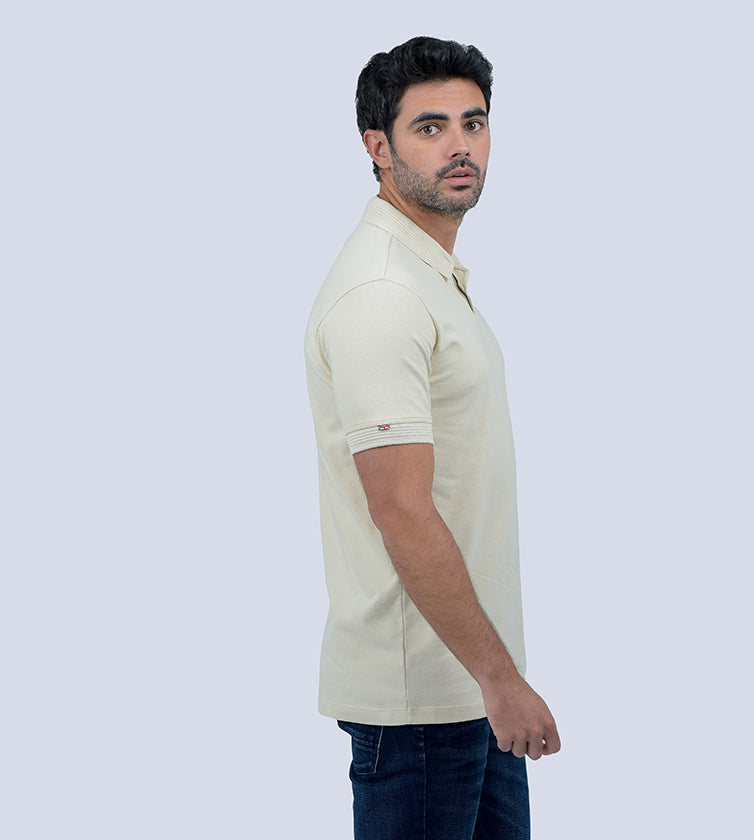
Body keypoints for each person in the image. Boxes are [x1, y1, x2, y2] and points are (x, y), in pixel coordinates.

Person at [304, 36, 560, 840]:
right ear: (377, 148)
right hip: (422, 706)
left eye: (473, 123)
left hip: (470, 687)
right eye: (430, 127)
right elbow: (402, 510)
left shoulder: (426, 276)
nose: (460, 145)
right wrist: (501, 680)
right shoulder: (382, 292)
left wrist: (494, 680)